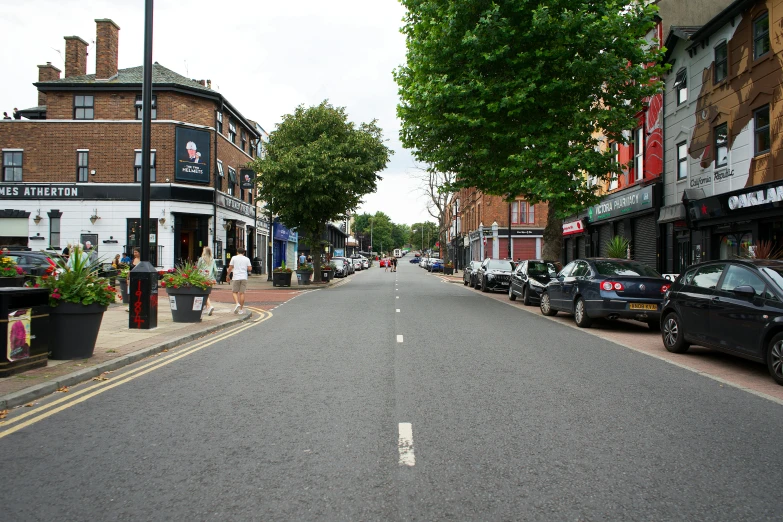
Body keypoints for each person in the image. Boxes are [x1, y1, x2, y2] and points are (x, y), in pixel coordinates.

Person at [227, 247, 252, 315]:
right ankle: (241, 309)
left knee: (234, 292)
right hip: (244, 277)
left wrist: (227, 275)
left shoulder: (234, 258)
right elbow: (250, 269)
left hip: (236, 277)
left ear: (237, 252)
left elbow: (230, 268)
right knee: (242, 293)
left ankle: (237, 303)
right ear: (244, 252)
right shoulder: (247, 259)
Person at [197, 246, 218, 316]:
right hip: (210, 279)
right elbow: (216, 270)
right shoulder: (213, 260)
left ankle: (209, 306)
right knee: (206, 293)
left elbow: (197, 268)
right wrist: (215, 277)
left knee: (204, 293)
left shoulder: (201, 259)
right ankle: (206, 308)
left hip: (202, 278)